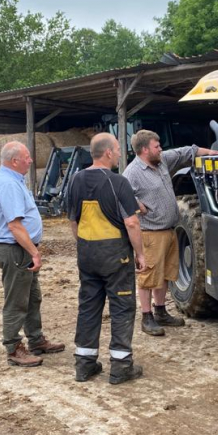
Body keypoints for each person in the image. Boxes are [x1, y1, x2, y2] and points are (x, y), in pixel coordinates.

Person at [122, 130, 218, 336]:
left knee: (166, 274)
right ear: (144, 149)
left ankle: (160, 311)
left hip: (169, 230)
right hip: (150, 233)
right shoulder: (132, 172)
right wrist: (138, 204)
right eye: (156, 146)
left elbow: (189, 152)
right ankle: (146, 316)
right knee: (148, 276)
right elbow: (120, 195)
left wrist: (214, 153)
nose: (161, 149)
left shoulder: (162, 161)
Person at [68, 133, 147, 384]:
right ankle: (121, 367)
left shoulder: (76, 179)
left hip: (87, 252)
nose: (121, 154)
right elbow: (132, 222)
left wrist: (83, 246)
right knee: (122, 308)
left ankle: (84, 364)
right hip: (115, 255)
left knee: (89, 307)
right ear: (109, 153)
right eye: (118, 149)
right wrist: (140, 253)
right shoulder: (118, 182)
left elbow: (73, 220)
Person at [0, 141, 65, 367]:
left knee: (32, 297)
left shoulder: (13, 181)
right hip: (16, 250)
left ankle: (36, 339)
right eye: (27, 157)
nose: (31, 161)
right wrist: (34, 252)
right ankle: (13, 348)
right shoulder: (8, 185)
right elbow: (15, 226)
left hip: (21, 250)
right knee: (17, 301)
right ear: (14, 161)